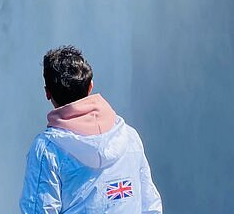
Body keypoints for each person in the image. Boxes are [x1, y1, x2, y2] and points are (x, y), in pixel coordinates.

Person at [19, 45, 162, 214]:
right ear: (90, 86)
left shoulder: (48, 149)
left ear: (47, 93)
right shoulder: (130, 136)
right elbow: (151, 206)